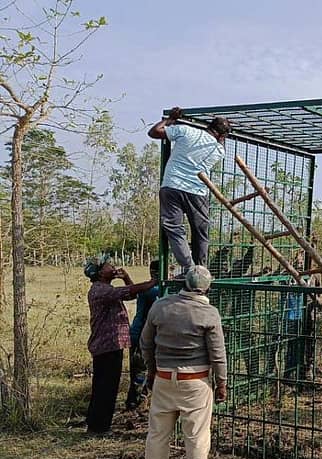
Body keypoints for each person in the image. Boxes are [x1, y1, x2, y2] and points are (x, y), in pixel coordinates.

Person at [141, 265, 227, 459]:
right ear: (207, 287)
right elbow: (218, 354)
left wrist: (151, 371)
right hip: (196, 383)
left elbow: (146, 343)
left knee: (157, 435)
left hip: (164, 379)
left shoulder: (160, 306)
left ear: (184, 283)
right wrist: (221, 383)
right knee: (197, 438)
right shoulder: (208, 313)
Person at [148, 107, 231, 276]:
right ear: (222, 136)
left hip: (172, 185)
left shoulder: (186, 130)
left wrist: (170, 119)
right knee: (200, 232)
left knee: (174, 228)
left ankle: (189, 267)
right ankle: (200, 270)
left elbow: (154, 132)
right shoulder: (219, 150)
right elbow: (221, 143)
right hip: (197, 191)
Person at [83, 255, 157, 433]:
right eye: (108, 265)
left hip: (110, 346)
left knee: (104, 386)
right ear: (101, 273)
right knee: (106, 387)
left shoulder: (105, 288)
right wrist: (154, 281)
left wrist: (125, 278)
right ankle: (99, 427)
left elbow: (130, 294)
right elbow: (133, 291)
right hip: (107, 347)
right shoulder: (101, 290)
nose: (112, 266)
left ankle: (96, 423)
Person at [125, 260, 161, 410]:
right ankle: (135, 403)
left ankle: (138, 400)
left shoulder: (148, 287)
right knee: (140, 371)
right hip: (142, 335)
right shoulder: (153, 291)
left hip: (140, 334)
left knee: (141, 370)